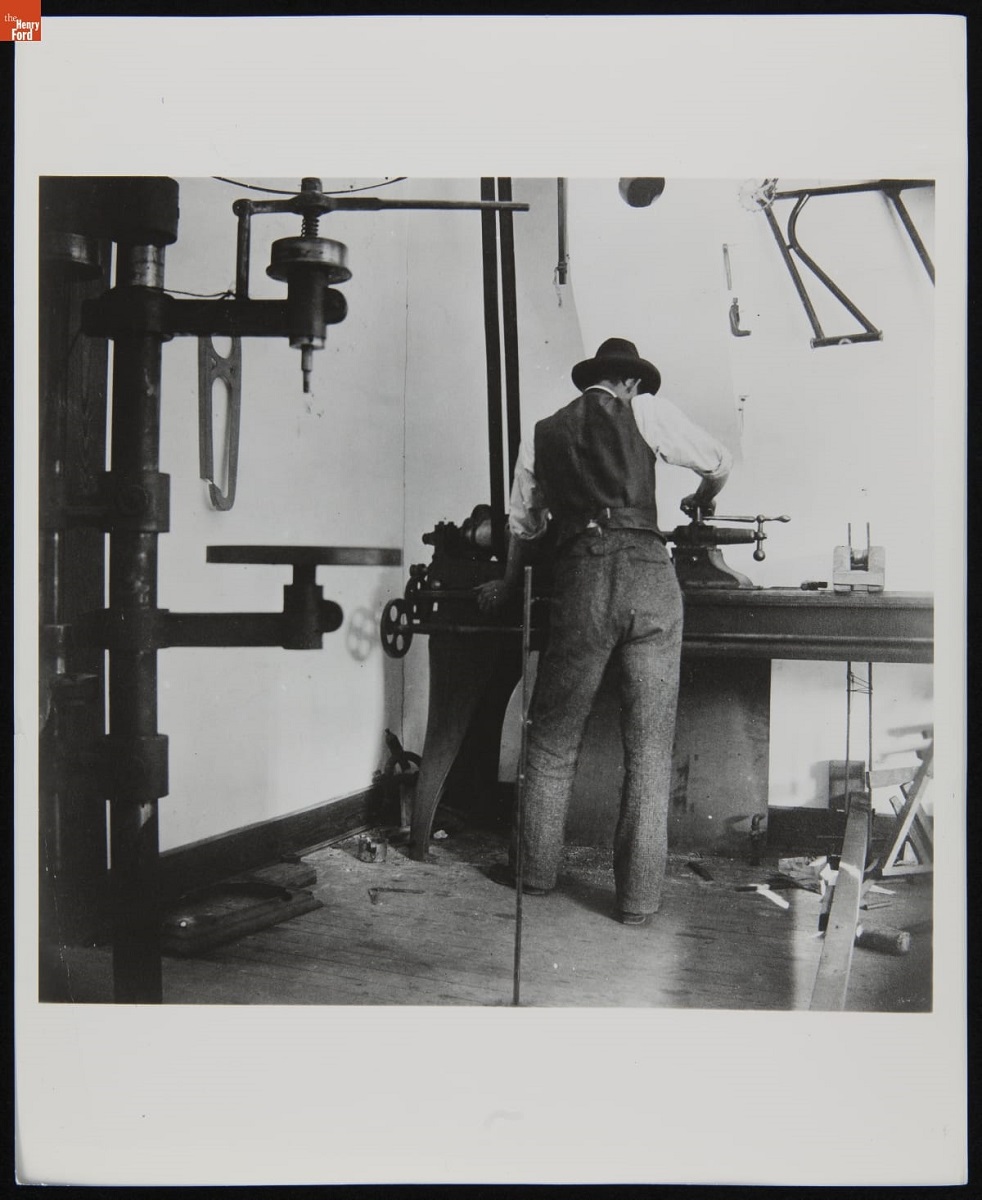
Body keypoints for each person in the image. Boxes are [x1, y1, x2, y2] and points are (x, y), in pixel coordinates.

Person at [476, 337, 732, 925]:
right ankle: (638, 903)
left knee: (551, 739)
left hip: (583, 580)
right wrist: (701, 494)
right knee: (648, 753)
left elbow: (523, 527)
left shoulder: (544, 431)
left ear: (594, 380)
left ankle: (534, 876)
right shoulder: (646, 411)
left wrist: (508, 588)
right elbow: (719, 461)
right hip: (651, 578)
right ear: (633, 382)